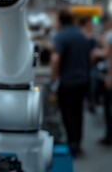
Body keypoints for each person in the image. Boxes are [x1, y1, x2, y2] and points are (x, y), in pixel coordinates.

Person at [50, 11, 90, 156]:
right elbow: (89, 57)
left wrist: (53, 76)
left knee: (67, 112)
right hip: (82, 80)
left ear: (60, 22)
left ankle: (71, 143)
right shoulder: (81, 35)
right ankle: (78, 143)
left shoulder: (61, 36)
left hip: (67, 82)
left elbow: (55, 59)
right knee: (78, 112)